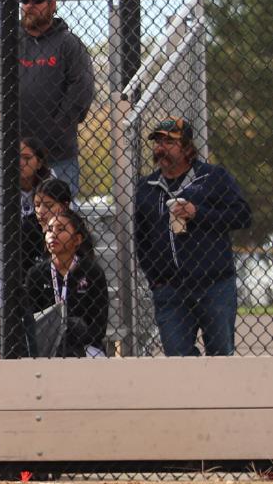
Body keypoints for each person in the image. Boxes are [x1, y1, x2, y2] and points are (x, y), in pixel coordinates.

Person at [132, 116, 254, 356]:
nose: (160, 148)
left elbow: (242, 216)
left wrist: (198, 213)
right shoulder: (147, 186)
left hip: (214, 284)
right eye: (157, 141)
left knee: (220, 355)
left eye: (169, 142)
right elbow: (141, 238)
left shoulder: (213, 177)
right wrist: (156, 279)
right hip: (170, 288)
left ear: (187, 147)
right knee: (178, 357)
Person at [0, 0, 93, 192]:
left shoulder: (68, 44)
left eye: (37, 0)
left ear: (52, 4)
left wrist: (56, 127)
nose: (29, 5)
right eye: (24, 0)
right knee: (3, 219)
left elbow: (82, 89)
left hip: (56, 155)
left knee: (58, 216)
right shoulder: (7, 41)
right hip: (9, 153)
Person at [21, 210, 111, 357]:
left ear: (77, 240)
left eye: (61, 229)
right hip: (46, 343)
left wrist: (75, 333)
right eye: (49, 229)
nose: (53, 234)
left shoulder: (92, 272)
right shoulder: (36, 274)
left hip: (84, 345)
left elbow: (99, 326)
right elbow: (32, 317)